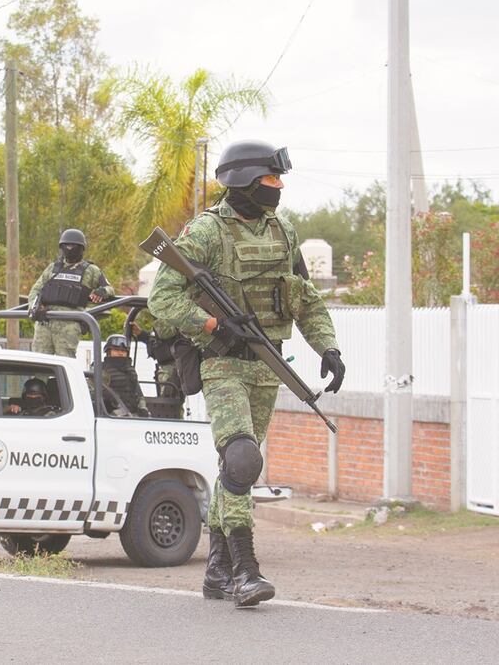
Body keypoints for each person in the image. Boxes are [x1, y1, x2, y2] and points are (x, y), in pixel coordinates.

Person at [148, 139, 345, 608]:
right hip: (222, 362)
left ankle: (215, 570)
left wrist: (328, 346)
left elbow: (304, 298)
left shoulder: (285, 232)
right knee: (241, 461)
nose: (278, 189)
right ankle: (244, 570)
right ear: (243, 182)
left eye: (279, 181)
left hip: (266, 365)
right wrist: (213, 323)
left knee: (236, 469)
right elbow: (163, 298)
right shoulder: (206, 233)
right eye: (270, 181)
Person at [28, 228, 114, 358]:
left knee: (65, 362)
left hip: (69, 323)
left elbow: (110, 289)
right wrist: (34, 308)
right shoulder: (53, 268)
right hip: (45, 321)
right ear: (62, 247)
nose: (70, 248)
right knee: (40, 362)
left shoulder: (91, 270)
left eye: (74, 246)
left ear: (81, 248)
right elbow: (35, 290)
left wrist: (102, 291)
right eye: (66, 245)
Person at [101, 335, 150, 418]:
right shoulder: (101, 369)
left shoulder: (130, 370)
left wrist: (143, 408)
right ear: (109, 351)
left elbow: (139, 393)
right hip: (109, 415)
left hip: (132, 414)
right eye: (116, 350)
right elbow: (93, 394)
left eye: (123, 351)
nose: (120, 353)